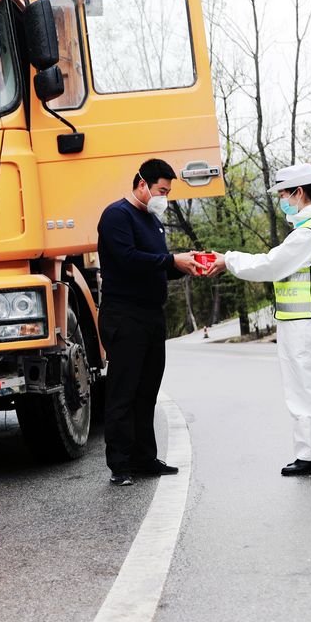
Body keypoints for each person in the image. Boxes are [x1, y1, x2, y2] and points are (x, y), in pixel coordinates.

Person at [205, 163, 311, 476]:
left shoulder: (308, 233)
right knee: (308, 390)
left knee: (306, 391)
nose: (281, 201)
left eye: (283, 195)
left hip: (306, 325)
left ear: (299, 192)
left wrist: (229, 260)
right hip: (307, 322)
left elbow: (270, 264)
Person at [96, 158, 204, 486]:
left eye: (168, 192)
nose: (164, 197)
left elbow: (157, 266)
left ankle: (144, 459)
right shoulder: (117, 216)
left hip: (151, 316)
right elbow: (128, 260)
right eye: (162, 190)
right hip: (124, 314)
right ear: (142, 184)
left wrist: (186, 265)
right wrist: (171, 259)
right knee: (123, 391)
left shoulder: (152, 221)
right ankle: (120, 464)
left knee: (147, 391)